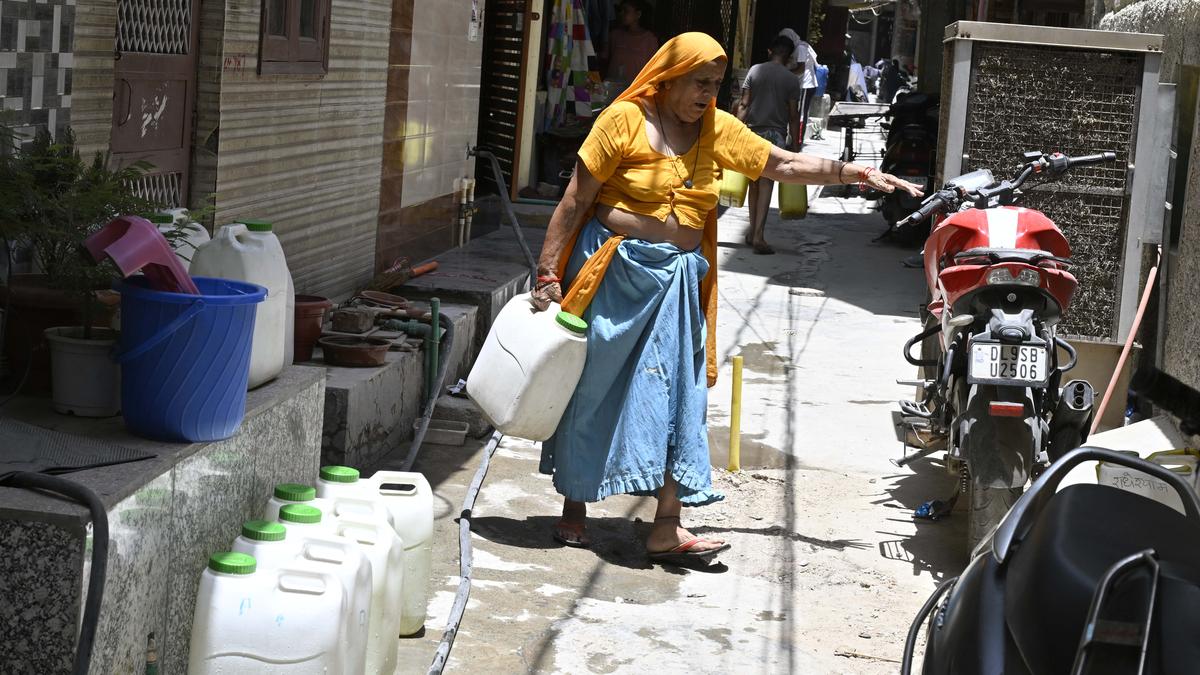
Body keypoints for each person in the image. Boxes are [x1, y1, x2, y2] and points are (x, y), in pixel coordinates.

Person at [529, 32, 921, 566]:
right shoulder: (621, 121)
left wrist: (851, 172)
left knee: (676, 395)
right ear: (669, 78)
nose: (710, 93)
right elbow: (576, 199)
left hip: (676, 284)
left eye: (717, 84)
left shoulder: (716, 128)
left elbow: (778, 164)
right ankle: (575, 507)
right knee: (595, 387)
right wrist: (548, 272)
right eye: (701, 82)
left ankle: (667, 525)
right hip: (612, 278)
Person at [736, 35, 802, 255]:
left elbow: (744, 104)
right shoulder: (792, 80)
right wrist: (795, 145)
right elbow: (793, 115)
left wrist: (733, 132)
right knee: (766, 185)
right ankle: (758, 236)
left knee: (753, 184)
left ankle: (753, 231)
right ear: (790, 57)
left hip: (751, 133)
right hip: (775, 137)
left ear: (769, 51)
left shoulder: (755, 71)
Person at [603, 0, 658, 95]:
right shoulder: (615, 35)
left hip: (635, 91)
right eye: (621, 10)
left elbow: (653, 69)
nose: (621, 14)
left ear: (638, 14)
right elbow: (604, 59)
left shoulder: (649, 39)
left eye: (626, 11)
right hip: (611, 89)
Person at [778, 28, 820, 148]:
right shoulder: (797, 47)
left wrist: (785, 72)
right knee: (796, 112)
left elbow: (801, 69)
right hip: (800, 84)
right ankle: (793, 140)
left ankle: (797, 142)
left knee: (800, 114)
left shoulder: (801, 48)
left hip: (806, 85)